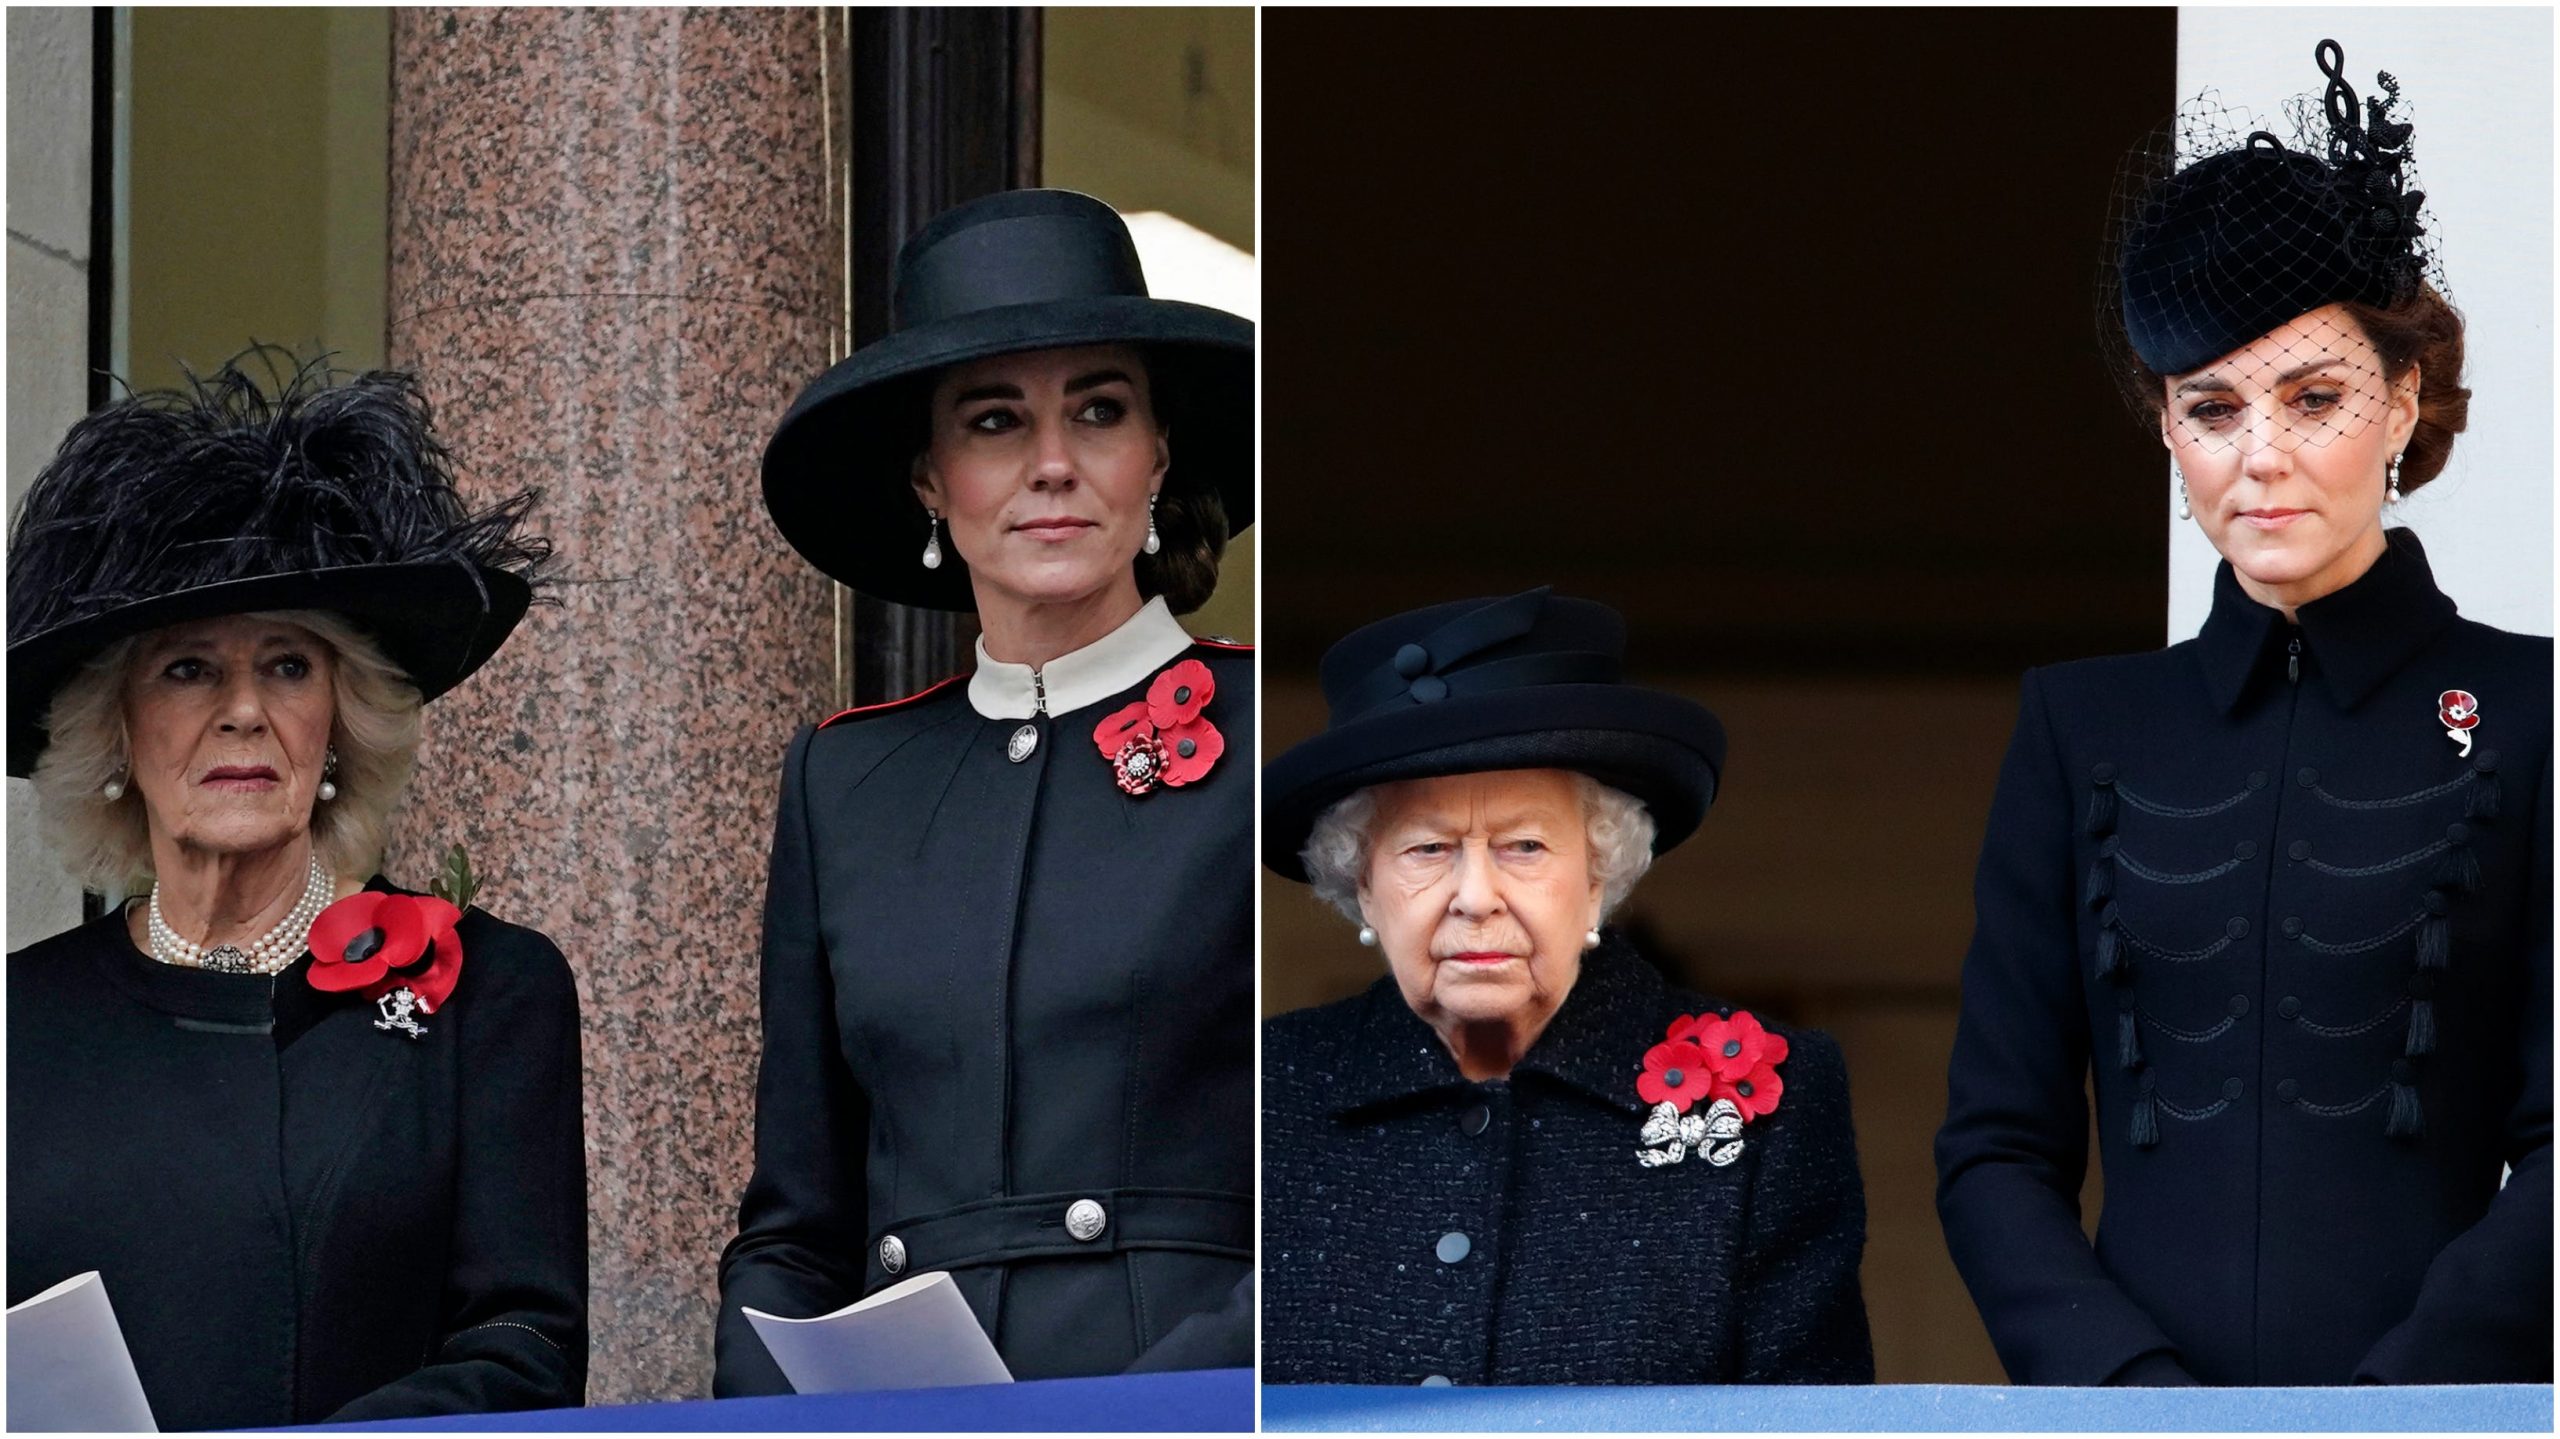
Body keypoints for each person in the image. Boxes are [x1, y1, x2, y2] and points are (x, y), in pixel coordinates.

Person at [1936, 40, 2550, 1385]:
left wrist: (2410, 1404)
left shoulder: (2534, 705)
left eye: (2314, 397)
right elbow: (1994, 1144)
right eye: (2212, 406)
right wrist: (2127, 1395)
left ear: (2401, 403)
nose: (2260, 453)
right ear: (2167, 429)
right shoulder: (2078, 724)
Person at [716, 188, 1255, 1388]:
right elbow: (794, 1225)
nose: (1053, 464)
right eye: (997, 420)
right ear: (928, 476)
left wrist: (1167, 1405)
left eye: (1099, 411)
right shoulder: (843, 779)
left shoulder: (1273, 730)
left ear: (1158, 454)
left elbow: (1341, 1149)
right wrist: (772, 1412)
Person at [4, 353, 587, 1428]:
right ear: (118, 734)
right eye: (187, 668)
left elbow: (525, 1354)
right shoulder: (17, 1023)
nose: (241, 711)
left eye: (286, 664)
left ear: (336, 722)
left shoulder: (490, 996)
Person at [1259, 588, 1872, 1385]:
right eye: (1426, 849)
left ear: (1599, 875)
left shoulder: (1777, 1101)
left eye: (1523, 844)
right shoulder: (1269, 1091)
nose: (1476, 896)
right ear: (1363, 886)